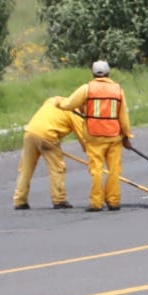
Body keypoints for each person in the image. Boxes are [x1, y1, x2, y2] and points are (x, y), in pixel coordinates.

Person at [60, 60, 131, 212]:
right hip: (114, 135)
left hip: (94, 135)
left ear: (92, 73)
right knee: (114, 170)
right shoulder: (118, 90)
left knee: (96, 170)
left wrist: (58, 104)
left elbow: (68, 105)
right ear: (108, 73)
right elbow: (123, 115)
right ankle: (113, 201)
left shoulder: (87, 89)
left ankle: (96, 203)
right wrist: (126, 135)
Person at [12, 96, 86, 210]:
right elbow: (84, 139)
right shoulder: (75, 113)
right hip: (48, 135)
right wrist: (94, 155)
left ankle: (19, 200)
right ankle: (59, 200)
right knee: (56, 167)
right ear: (81, 104)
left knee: (25, 168)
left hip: (30, 132)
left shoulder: (55, 99)